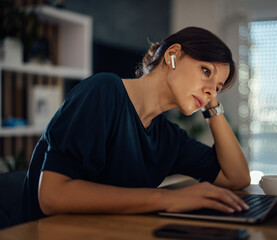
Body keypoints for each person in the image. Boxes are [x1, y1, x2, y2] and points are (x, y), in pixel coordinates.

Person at [10, 27, 250, 227]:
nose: (211, 90)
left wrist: (212, 104)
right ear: (172, 55)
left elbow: (236, 177)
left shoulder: (168, 138)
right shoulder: (103, 91)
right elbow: (52, 196)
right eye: (206, 71)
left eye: (218, 88)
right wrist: (167, 198)